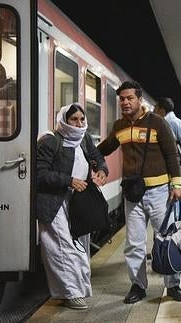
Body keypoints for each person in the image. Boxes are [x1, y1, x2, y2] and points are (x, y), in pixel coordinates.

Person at [97, 81, 181, 303]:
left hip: (159, 192)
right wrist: (84, 152)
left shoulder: (157, 123)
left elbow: (172, 155)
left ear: (139, 100)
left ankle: (173, 285)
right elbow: (105, 148)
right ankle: (138, 285)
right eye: (122, 99)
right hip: (133, 193)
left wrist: (176, 184)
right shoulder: (119, 127)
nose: (125, 102)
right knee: (134, 243)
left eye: (130, 98)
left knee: (166, 238)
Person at [36, 103, 108, 310]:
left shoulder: (84, 138)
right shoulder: (50, 141)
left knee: (78, 246)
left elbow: (96, 156)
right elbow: (39, 174)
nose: (79, 123)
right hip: (53, 202)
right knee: (61, 246)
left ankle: (80, 289)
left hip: (77, 201)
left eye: (81, 119)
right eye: (73, 119)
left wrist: (102, 169)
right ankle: (70, 293)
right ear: (64, 120)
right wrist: (68, 180)